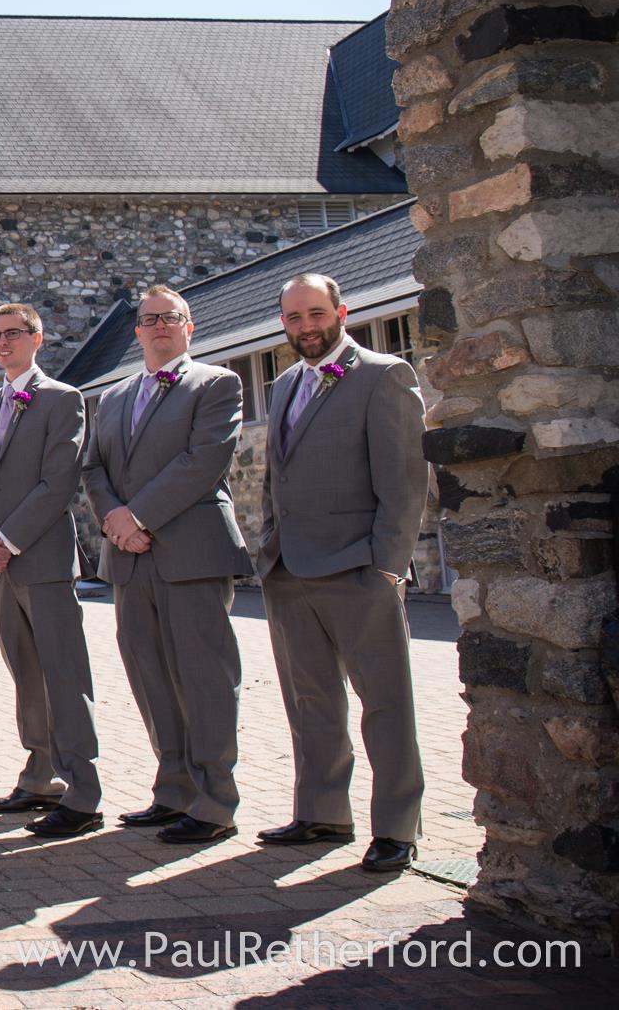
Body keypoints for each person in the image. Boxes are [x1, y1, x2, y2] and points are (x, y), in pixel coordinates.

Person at [254, 273, 428, 874]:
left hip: (358, 567)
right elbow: (278, 476)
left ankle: (397, 828)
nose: (306, 326)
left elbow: (405, 480)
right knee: (311, 701)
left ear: (341, 312)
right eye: (294, 317)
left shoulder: (383, 375)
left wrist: (388, 565)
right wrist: (270, 545)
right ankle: (323, 811)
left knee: (384, 703)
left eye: (316, 313)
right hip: (289, 570)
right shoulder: (282, 387)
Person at [80, 286, 247, 846]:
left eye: (168, 319)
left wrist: (140, 517)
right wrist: (115, 521)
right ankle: (173, 788)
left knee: (204, 678)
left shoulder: (217, 385)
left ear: (189, 326)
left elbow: (203, 461)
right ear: (137, 332)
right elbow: (94, 467)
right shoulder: (114, 397)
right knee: (149, 676)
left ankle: (215, 801)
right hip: (129, 558)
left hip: (190, 552)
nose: (157, 328)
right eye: (148, 320)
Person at [0, 303, 101, 839]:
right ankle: (40, 775)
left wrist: (10, 540)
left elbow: (58, 480)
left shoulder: (62, 400)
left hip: (40, 560)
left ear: (37, 338)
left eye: (12, 334)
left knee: (65, 675)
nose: (2, 343)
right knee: (25, 673)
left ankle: (83, 792)